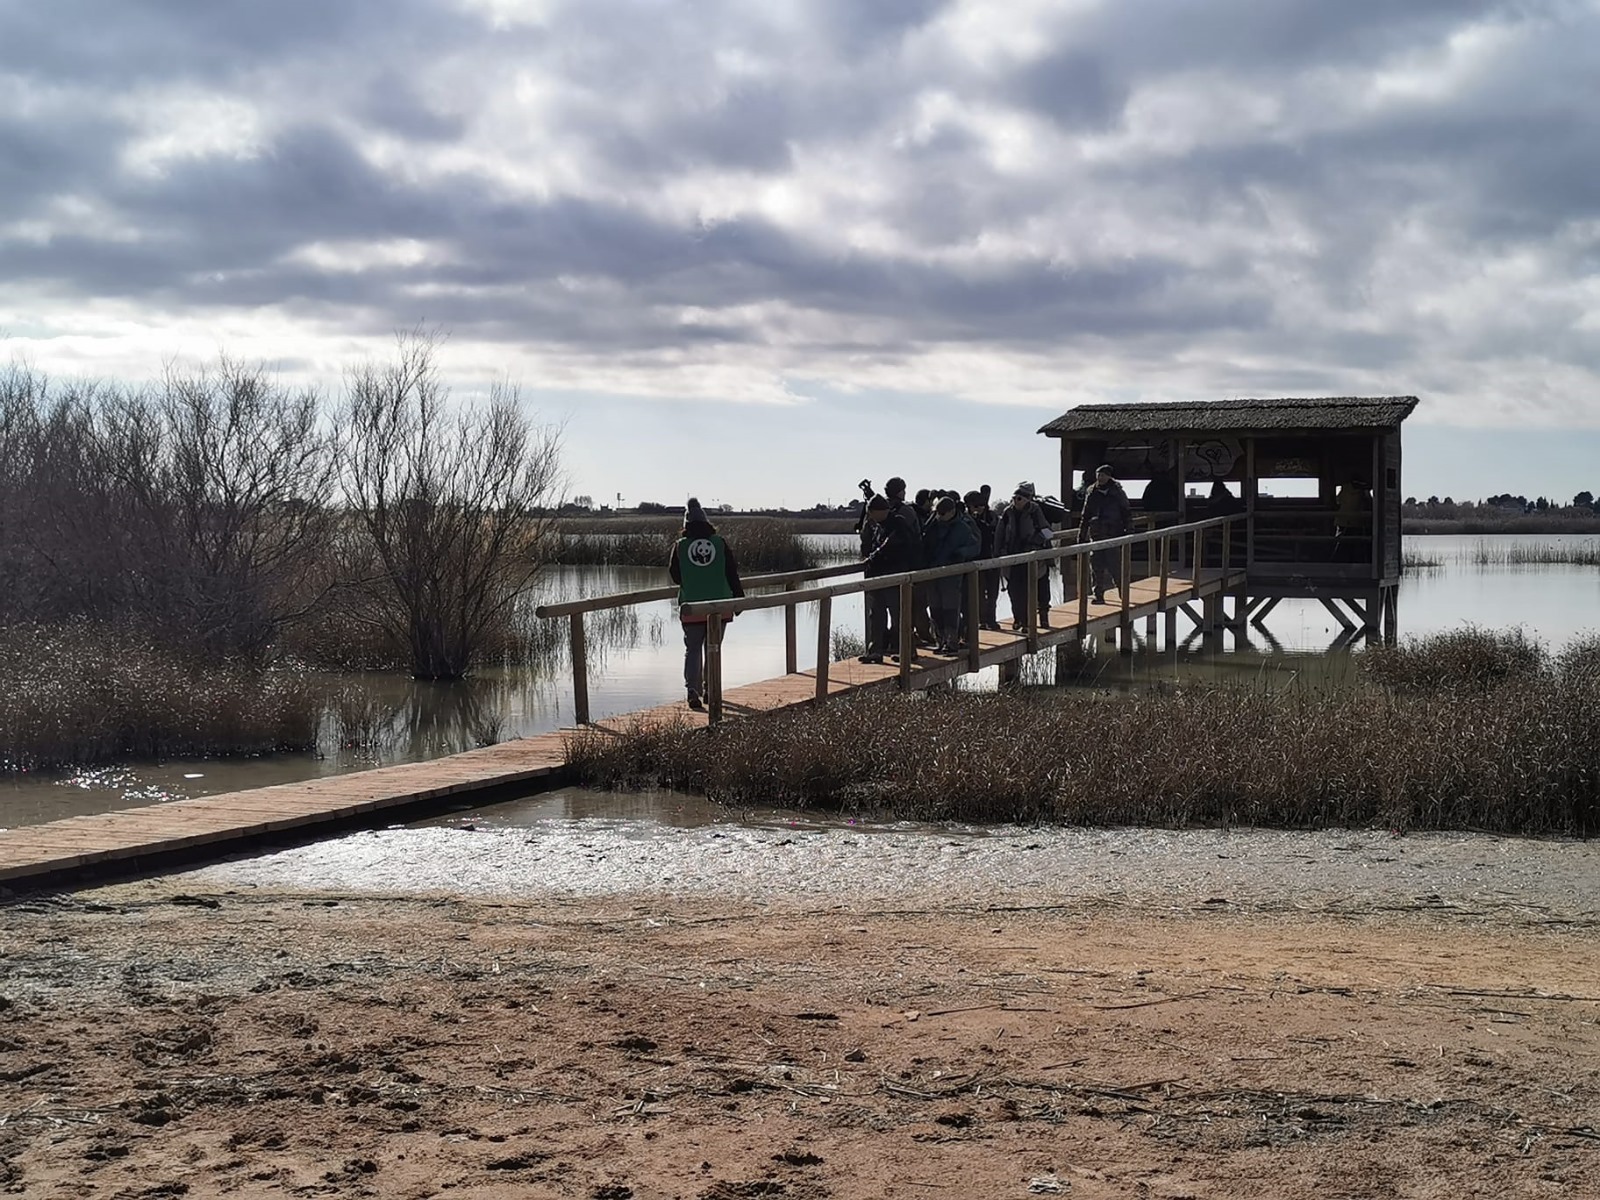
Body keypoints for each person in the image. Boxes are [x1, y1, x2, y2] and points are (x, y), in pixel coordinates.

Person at [669, 498, 744, 711]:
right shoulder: (720, 543)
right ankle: (711, 690)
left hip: (692, 606)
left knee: (692, 649)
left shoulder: (680, 546)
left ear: (686, 525)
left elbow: (675, 575)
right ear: (707, 523)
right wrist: (738, 599)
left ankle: (692, 691)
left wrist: (693, 580)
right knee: (713, 648)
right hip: (720, 605)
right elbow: (732, 572)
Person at [860, 493, 921, 663]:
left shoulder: (897, 524)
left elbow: (890, 546)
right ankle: (875, 651)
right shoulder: (877, 526)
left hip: (895, 576)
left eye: (871, 512)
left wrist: (873, 558)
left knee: (899, 616)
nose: (870, 516)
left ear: (879, 511)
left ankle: (908, 651)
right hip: (879, 576)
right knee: (876, 615)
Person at [925, 494, 981, 652]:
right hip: (933, 572)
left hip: (952, 574)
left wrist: (961, 552)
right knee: (935, 609)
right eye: (937, 513)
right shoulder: (932, 526)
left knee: (950, 608)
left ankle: (952, 642)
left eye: (943, 513)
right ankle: (940, 641)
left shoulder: (963, 527)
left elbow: (975, 547)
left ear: (951, 512)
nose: (939, 516)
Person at [997, 481, 1053, 629]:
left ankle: (1043, 617)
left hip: (1034, 558)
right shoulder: (1007, 513)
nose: (1016, 501)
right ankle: (1019, 619)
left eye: (1020, 498)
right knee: (1015, 592)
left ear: (1028, 499)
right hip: (1014, 559)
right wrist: (998, 555)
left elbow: (1047, 531)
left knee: (1041, 589)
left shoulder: (1035, 511)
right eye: (1014, 498)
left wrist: (1035, 541)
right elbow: (1000, 535)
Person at [1079, 464, 1132, 604]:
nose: (1099, 478)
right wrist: (1081, 534)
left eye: (1102, 475)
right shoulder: (1091, 492)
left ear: (1109, 476)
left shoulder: (1117, 492)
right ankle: (1099, 595)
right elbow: (1085, 515)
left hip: (1113, 533)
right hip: (1096, 534)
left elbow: (1126, 511)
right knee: (1096, 567)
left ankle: (1124, 594)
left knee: (1115, 566)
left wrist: (1129, 530)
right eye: (1098, 475)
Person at [964, 486, 1001, 630]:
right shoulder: (967, 520)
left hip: (992, 559)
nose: (978, 508)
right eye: (975, 505)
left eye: (980, 504)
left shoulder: (992, 517)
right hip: (976, 561)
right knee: (978, 594)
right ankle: (982, 620)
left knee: (993, 593)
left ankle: (991, 619)